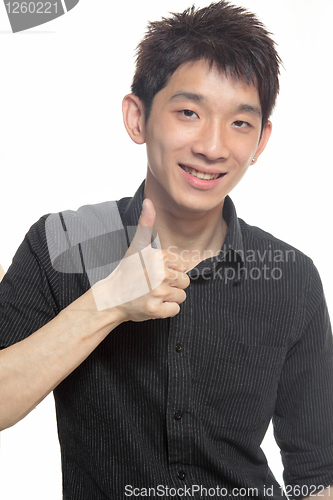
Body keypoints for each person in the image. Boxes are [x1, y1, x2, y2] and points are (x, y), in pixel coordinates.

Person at [0, 1, 332, 498]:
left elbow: (317, 473)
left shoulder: (292, 276)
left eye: (240, 123)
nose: (213, 147)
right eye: (188, 113)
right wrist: (108, 304)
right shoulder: (60, 243)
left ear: (261, 141)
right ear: (138, 118)